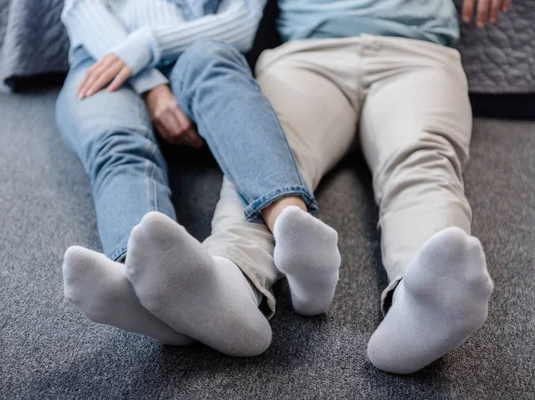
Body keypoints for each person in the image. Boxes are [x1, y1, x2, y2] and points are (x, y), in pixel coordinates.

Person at [192, 0, 508, 373]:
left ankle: (424, 300)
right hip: (305, 55)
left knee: (421, 160)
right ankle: (229, 277)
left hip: (418, 52)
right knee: (265, 158)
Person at [56, 0, 341, 357]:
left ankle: (291, 225)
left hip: (193, 52)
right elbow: (81, 9)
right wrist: (150, 85)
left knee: (217, 71)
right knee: (117, 143)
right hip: (103, 56)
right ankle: (141, 277)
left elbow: (240, 22)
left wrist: (149, 45)